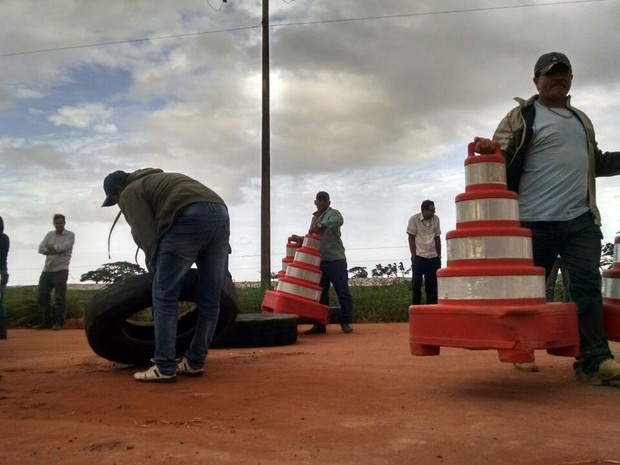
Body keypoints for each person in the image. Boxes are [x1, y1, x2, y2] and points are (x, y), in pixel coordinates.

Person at [474, 52, 620, 386]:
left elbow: (595, 162)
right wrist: (488, 148)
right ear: (536, 80)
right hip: (531, 222)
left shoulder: (581, 120)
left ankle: (595, 360)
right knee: (527, 293)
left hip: (580, 219)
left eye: (564, 73)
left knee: (585, 288)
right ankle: (520, 347)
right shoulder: (522, 116)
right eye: (550, 73)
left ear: (571, 79)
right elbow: (501, 154)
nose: (558, 78)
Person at [101, 168, 230, 383]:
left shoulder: (130, 191)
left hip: (187, 216)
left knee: (164, 295)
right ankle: (195, 362)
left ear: (117, 189)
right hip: (220, 213)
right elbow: (206, 210)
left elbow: (145, 234)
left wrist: (156, 269)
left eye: (115, 200)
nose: (118, 204)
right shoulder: (160, 179)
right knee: (211, 298)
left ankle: (164, 366)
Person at [292, 191, 353, 334]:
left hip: (335, 260)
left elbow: (338, 221)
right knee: (320, 294)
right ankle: (320, 324)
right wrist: (301, 239)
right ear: (315, 202)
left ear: (329, 202)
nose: (322, 202)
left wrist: (320, 224)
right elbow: (313, 237)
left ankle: (345, 322)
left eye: (324, 200)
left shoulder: (334, 213)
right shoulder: (314, 218)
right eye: (319, 200)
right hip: (319, 261)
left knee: (342, 292)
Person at [35, 214, 75, 330]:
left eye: (61, 223)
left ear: (64, 223)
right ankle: (46, 322)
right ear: (54, 223)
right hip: (47, 270)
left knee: (59, 297)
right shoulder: (49, 234)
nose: (59, 225)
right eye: (57, 223)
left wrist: (52, 249)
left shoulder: (70, 235)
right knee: (42, 295)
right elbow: (40, 248)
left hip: (61, 269)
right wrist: (54, 249)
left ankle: (59, 323)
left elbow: (64, 247)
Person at [407, 200, 441, 305]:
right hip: (419, 256)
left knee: (432, 286)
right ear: (424, 210)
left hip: (433, 256)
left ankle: (431, 312)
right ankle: (417, 310)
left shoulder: (436, 219)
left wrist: (439, 255)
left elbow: (437, 237)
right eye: (431, 210)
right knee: (416, 285)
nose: (433, 213)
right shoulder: (414, 219)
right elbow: (411, 237)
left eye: (434, 210)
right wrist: (413, 255)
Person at [0, 216, 9, 339]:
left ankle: (2, 331)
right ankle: (2, 331)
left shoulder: (2, 238)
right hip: (3, 271)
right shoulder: (4, 238)